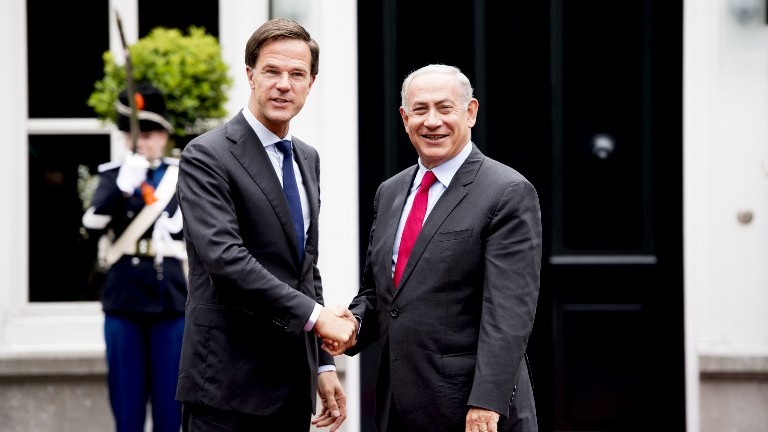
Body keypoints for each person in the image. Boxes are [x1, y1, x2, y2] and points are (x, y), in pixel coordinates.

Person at [332, 64, 543, 432]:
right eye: (420, 109)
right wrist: (352, 323)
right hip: (398, 408)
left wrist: (485, 403)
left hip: (472, 412)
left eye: (445, 108)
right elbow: (381, 293)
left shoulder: (507, 192)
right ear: (404, 117)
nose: (432, 122)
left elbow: (508, 313)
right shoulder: (391, 192)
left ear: (470, 112)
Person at [175, 18, 356, 432]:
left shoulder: (306, 158)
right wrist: (318, 316)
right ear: (250, 74)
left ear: (312, 83)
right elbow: (226, 260)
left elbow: (304, 267)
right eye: (272, 71)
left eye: (297, 74)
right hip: (225, 385)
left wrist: (324, 364)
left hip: (292, 384)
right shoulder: (207, 155)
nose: (283, 84)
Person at [82, 82, 188, 432]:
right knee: (126, 405)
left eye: (152, 132)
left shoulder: (182, 176)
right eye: (137, 133)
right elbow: (90, 228)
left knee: (171, 408)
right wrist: (120, 189)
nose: (144, 140)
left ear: (165, 135)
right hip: (123, 299)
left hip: (169, 298)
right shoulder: (113, 175)